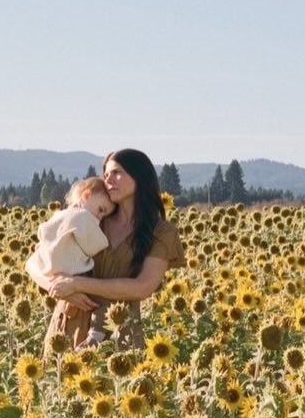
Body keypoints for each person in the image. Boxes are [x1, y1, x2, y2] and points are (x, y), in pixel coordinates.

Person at [27, 148, 186, 351]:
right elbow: (33, 262)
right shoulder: (92, 217)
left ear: (140, 177)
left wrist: (77, 284)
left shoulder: (161, 232)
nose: (109, 179)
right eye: (107, 174)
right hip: (69, 328)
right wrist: (62, 291)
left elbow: (143, 287)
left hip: (120, 331)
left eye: (117, 172)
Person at [25, 177, 114, 346]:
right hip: (70, 288)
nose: (100, 217)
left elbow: (36, 252)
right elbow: (98, 245)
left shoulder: (60, 215)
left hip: (52, 275)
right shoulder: (83, 218)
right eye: (101, 210)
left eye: (104, 214)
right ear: (86, 196)